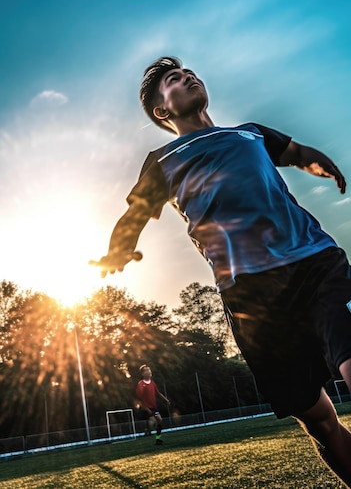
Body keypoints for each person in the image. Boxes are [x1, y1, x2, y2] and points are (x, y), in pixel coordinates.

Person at [91, 56, 351, 486]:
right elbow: (133, 217)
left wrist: (318, 163)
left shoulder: (249, 132)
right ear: (162, 111)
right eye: (174, 79)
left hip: (314, 264)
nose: (188, 77)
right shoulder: (163, 159)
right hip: (251, 298)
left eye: (188, 72)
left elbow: (295, 152)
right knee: (319, 422)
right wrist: (117, 253)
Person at [135, 364, 169, 444]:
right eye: (147, 370)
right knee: (153, 422)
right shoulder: (141, 384)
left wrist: (166, 399)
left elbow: (158, 393)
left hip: (154, 407)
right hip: (146, 408)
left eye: (149, 370)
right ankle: (147, 429)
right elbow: (139, 398)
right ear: (143, 374)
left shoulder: (152, 383)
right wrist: (145, 408)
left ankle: (157, 438)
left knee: (159, 420)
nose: (149, 371)